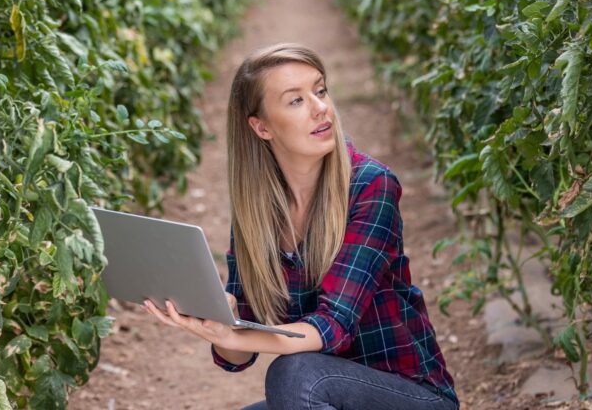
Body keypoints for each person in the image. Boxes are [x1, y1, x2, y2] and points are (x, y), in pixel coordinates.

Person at [143, 43, 459, 410]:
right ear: (261, 127)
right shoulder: (257, 210)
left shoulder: (371, 186)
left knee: (292, 375)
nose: (320, 107)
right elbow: (237, 356)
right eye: (296, 100)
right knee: (296, 380)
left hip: (407, 395)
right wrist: (219, 321)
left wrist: (239, 335)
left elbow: (332, 326)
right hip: (317, 393)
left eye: (320, 90)